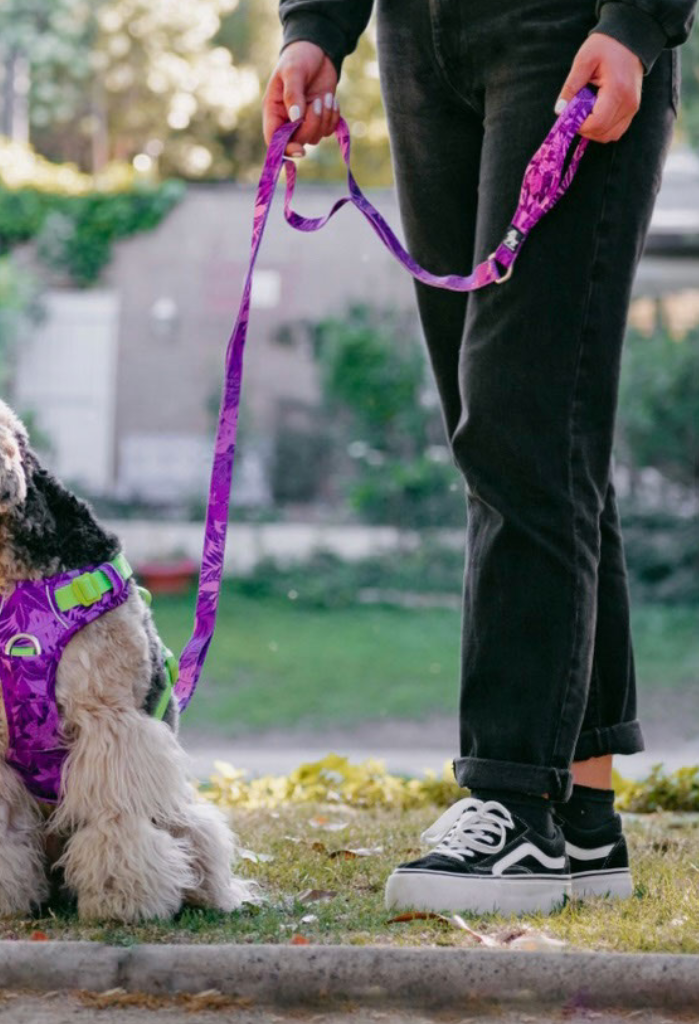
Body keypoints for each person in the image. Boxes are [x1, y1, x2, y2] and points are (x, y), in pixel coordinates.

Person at [264, 0, 695, 914]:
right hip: (419, 48)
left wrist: (639, 22)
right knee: (522, 430)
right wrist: (314, 29)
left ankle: (513, 799)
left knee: (520, 423)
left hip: (569, 30)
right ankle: (581, 813)